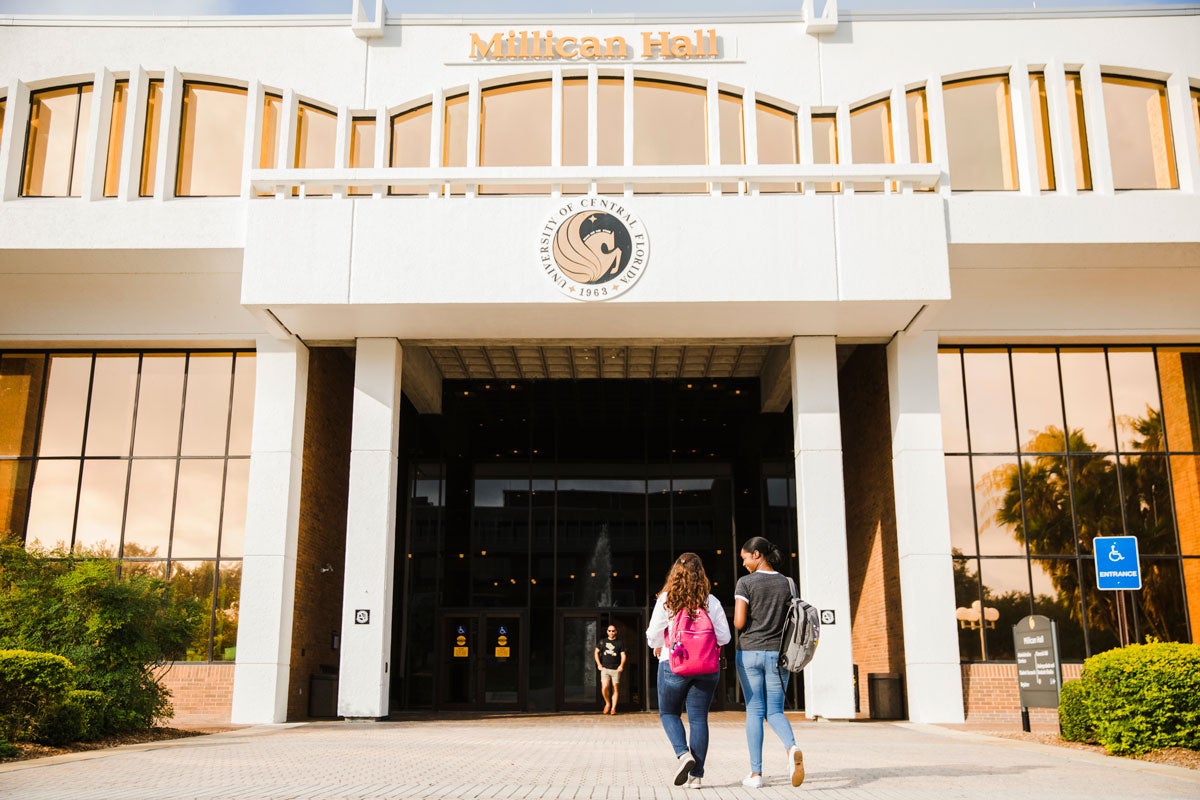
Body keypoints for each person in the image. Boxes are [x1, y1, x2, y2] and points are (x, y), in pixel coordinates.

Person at [646, 553, 732, 789]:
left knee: (669, 714)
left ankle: (683, 755)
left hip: (673, 664)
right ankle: (697, 777)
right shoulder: (711, 601)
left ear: (675, 573)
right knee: (698, 719)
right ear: (701, 574)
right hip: (706, 667)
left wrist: (658, 645)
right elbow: (725, 636)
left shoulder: (667, 599)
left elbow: (652, 634)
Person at [733, 536, 804, 788]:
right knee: (775, 711)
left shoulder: (746, 583)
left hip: (750, 652)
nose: (743, 564)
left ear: (757, 555)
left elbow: (740, 623)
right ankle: (791, 747)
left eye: (744, 558)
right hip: (778, 655)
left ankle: (756, 775)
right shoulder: (788, 583)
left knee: (754, 711)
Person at [594, 624, 627, 714]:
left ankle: (613, 708)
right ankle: (608, 703)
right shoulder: (602, 642)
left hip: (616, 669)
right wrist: (599, 664)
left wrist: (621, 665)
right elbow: (596, 652)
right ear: (607, 632)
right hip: (605, 669)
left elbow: (623, 655)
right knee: (604, 687)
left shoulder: (620, 643)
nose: (611, 632)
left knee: (615, 688)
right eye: (609, 631)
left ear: (616, 632)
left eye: (613, 631)